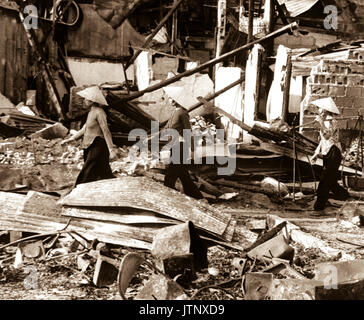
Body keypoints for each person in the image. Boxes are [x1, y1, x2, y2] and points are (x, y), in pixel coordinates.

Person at [61, 86, 117, 186]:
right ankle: (110, 187)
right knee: (103, 173)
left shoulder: (99, 112)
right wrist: (71, 139)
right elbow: (85, 128)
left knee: (87, 171)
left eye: (86, 99)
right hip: (90, 145)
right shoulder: (91, 112)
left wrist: (111, 149)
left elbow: (106, 131)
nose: (84, 101)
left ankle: (78, 189)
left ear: (91, 101)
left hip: (98, 145)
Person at [309, 97, 349, 211]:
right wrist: (316, 153)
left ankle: (319, 207)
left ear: (326, 110)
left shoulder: (332, 121)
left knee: (325, 180)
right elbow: (322, 140)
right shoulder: (325, 120)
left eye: (320, 108)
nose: (319, 110)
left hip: (334, 152)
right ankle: (345, 196)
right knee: (329, 180)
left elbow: (327, 136)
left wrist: (321, 123)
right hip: (328, 152)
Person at [162, 99, 204, 200]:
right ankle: (198, 197)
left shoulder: (183, 113)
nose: (170, 100)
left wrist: (193, 149)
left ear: (177, 100)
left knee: (170, 175)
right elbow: (166, 127)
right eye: (170, 98)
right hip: (174, 146)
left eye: (172, 98)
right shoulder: (175, 112)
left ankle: (166, 197)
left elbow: (188, 132)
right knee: (183, 175)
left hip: (180, 147)